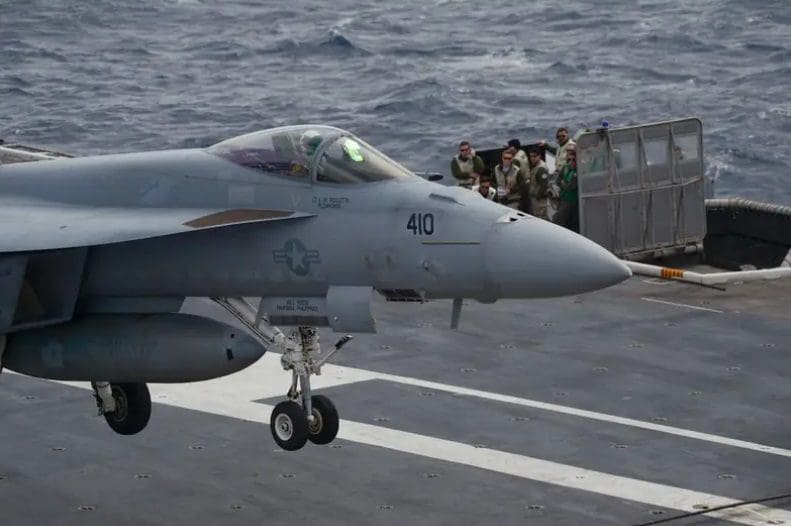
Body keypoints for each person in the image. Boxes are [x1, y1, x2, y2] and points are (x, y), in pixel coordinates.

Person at [553, 145, 579, 232]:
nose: (571, 162)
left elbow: (571, 186)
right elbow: (558, 180)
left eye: (574, 160)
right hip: (563, 198)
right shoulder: (566, 167)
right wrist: (564, 184)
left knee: (570, 223)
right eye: (569, 159)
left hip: (573, 201)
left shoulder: (579, 170)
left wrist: (563, 183)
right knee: (561, 220)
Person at [527, 149, 551, 220]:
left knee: (541, 218)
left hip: (540, 199)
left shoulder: (541, 168)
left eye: (534, 156)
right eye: (531, 156)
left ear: (539, 156)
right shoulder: (536, 166)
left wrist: (538, 197)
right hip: (536, 197)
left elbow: (543, 185)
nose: (532, 158)